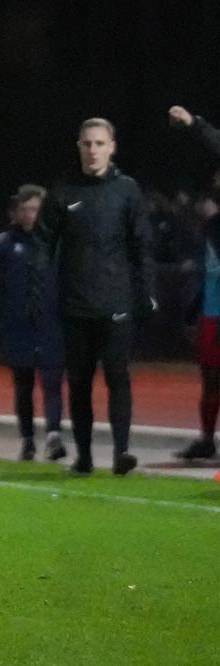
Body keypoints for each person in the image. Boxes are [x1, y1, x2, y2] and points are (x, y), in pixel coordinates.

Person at [34, 118, 156, 476]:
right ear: (79, 146)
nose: (93, 150)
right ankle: (84, 457)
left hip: (117, 303)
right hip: (75, 303)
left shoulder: (128, 190)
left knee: (118, 376)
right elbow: (43, 241)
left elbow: (141, 245)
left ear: (112, 147)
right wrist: (39, 286)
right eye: (87, 143)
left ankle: (122, 452)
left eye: (100, 143)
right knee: (80, 382)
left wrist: (146, 292)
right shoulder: (62, 190)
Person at [0, 185, 66, 462]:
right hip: (18, 326)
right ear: (17, 213)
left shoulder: (58, 243)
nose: (31, 215)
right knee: (23, 386)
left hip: (51, 325)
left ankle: (54, 435)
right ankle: (28, 440)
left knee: (52, 381)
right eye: (26, 210)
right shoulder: (6, 243)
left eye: (36, 209)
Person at [168, 106, 220, 459]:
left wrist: (195, 124)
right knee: (210, 375)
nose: (215, 180)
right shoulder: (212, 223)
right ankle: (205, 439)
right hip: (213, 308)